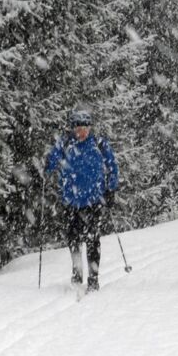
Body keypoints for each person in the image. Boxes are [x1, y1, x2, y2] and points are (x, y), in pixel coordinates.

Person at [45, 109, 119, 293]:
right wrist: (45, 167)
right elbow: (50, 165)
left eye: (85, 127)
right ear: (72, 128)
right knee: (73, 240)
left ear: (90, 128)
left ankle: (93, 278)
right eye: (78, 128)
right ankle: (77, 273)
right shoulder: (64, 145)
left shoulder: (99, 144)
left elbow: (112, 166)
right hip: (71, 201)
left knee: (93, 240)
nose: (82, 132)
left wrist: (111, 189)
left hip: (94, 200)